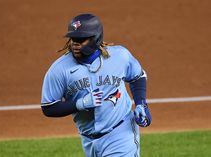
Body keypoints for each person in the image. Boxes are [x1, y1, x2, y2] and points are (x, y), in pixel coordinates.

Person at [41, 13, 152, 157]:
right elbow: (48, 107)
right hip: (89, 140)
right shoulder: (59, 69)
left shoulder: (119, 56)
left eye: (81, 39)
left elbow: (138, 76)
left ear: (96, 38)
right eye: (73, 39)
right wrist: (79, 104)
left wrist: (141, 104)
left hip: (120, 133)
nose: (75, 43)